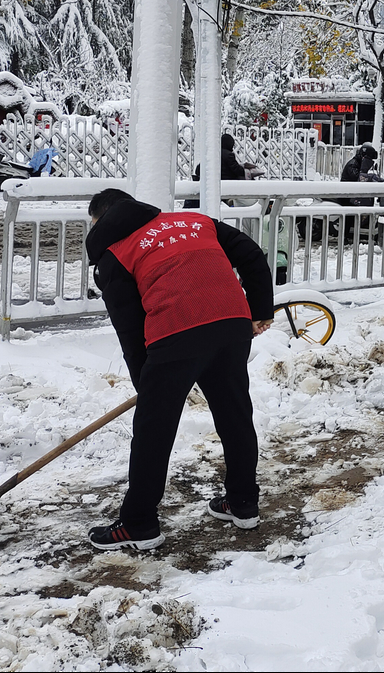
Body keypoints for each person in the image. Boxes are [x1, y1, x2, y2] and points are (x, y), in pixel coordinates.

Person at [84, 188, 275, 550]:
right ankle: (243, 502)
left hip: (177, 332)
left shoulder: (116, 255)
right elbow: (251, 254)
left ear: (102, 220)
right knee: (234, 414)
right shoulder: (196, 221)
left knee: (154, 430)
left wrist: (148, 388)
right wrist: (260, 308)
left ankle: (138, 523)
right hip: (231, 324)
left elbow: (130, 328)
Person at [184, 133, 249, 208]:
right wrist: (245, 169)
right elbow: (237, 170)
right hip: (226, 184)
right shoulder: (229, 155)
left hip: (211, 184)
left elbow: (198, 170)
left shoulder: (212, 154)